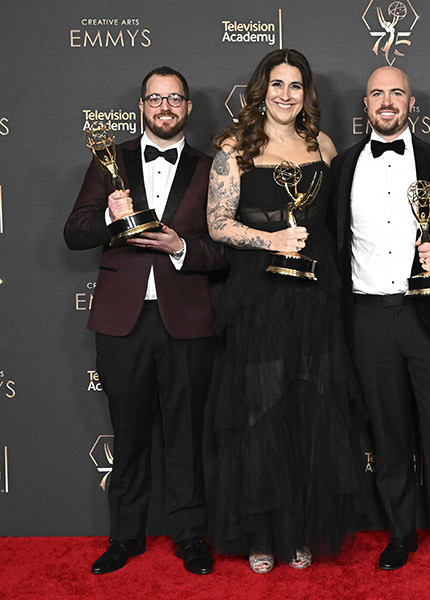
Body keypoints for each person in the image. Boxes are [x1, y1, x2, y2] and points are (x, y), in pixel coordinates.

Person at [64, 66, 227, 575]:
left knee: (188, 435)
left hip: (188, 320)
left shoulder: (212, 166)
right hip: (121, 322)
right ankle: (126, 536)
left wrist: (182, 247)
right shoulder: (108, 160)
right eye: (155, 99)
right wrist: (111, 216)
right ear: (141, 105)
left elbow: (226, 248)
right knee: (128, 434)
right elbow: (75, 233)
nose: (165, 107)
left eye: (174, 99)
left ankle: (189, 535)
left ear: (188, 108)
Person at [204, 49, 359, 574]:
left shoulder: (323, 146)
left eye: (296, 86)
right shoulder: (235, 148)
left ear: (306, 93)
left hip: (315, 294)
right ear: (261, 89)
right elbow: (218, 224)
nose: (285, 94)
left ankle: (297, 528)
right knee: (261, 413)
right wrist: (271, 239)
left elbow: (339, 221)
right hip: (259, 296)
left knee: (309, 409)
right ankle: (261, 532)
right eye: (277, 84)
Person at [331, 66, 430, 577]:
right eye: (377, 93)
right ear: (364, 105)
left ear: (412, 103)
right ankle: (401, 532)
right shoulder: (342, 167)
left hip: (429, 313)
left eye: (397, 93)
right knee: (388, 435)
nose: (387, 101)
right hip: (368, 316)